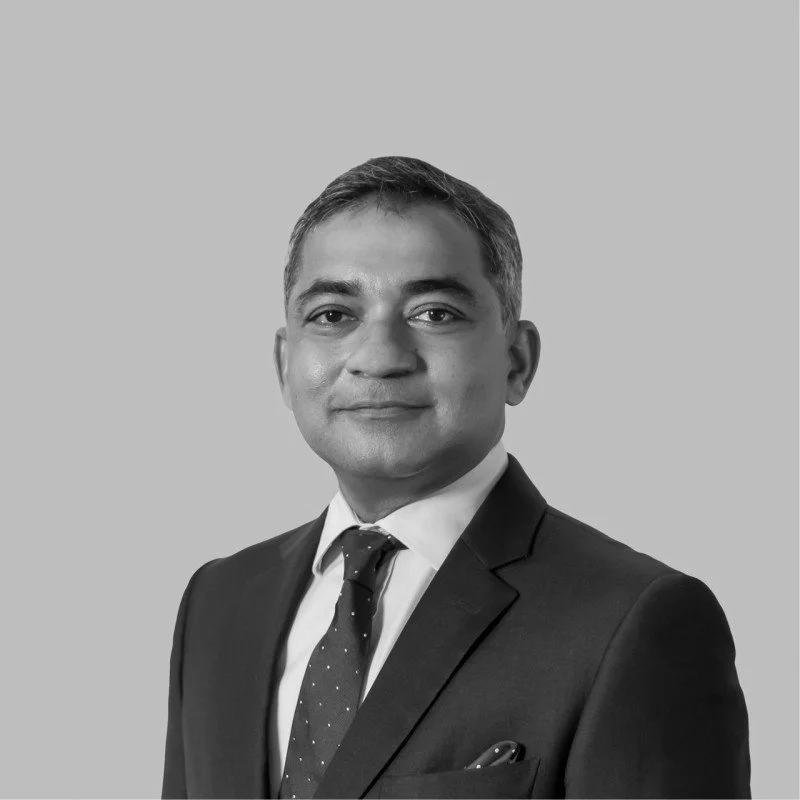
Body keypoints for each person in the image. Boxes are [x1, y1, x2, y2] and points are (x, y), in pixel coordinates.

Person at [161, 156, 751, 799]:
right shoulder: (218, 604)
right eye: (333, 314)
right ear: (284, 364)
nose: (379, 357)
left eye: (434, 313)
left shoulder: (634, 623)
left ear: (517, 361)